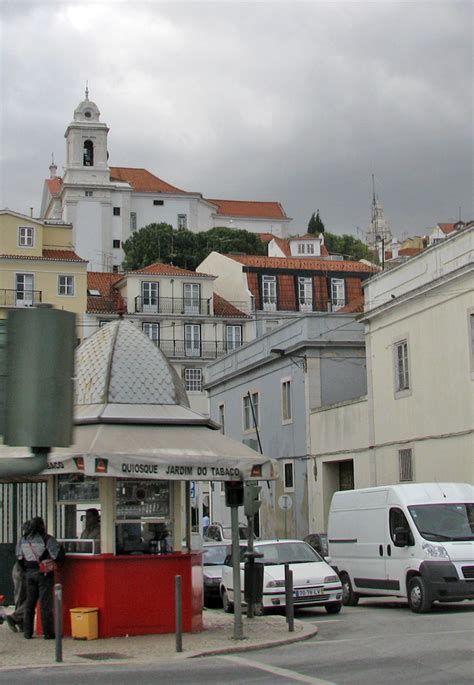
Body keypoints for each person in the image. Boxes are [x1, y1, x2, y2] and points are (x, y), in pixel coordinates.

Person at [16, 516, 64, 640]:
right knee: (45, 603)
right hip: (44, 574)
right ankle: (48, 633)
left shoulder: (23, 540)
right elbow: (57, 555)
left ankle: (27, 632)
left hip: (29, 573)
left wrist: (26, 570)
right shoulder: (47, 539)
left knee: (30, 603)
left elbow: (19, 558)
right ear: (42, 526)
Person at [5, 520, 31, 633]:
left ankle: (20, 621)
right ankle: (16, 617)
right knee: (27, 597)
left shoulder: (23, 540)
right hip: (23, 570)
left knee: (20, 597)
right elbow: (20, 557)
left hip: (20, 569)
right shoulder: (28, 540)